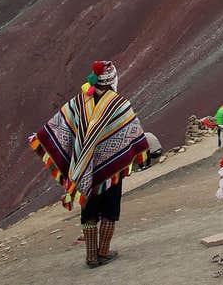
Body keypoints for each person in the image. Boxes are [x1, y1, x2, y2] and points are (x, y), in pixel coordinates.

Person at [29, 61, 149, 269]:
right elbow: (132, 131)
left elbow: (61, 124)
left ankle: (91, 256)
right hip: (111, 169)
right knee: (110, 209)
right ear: (112, 80)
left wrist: (42, 138)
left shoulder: (79, 102)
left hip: (84, 169)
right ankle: (103, 252)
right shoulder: (120, 105)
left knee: (89, 209)